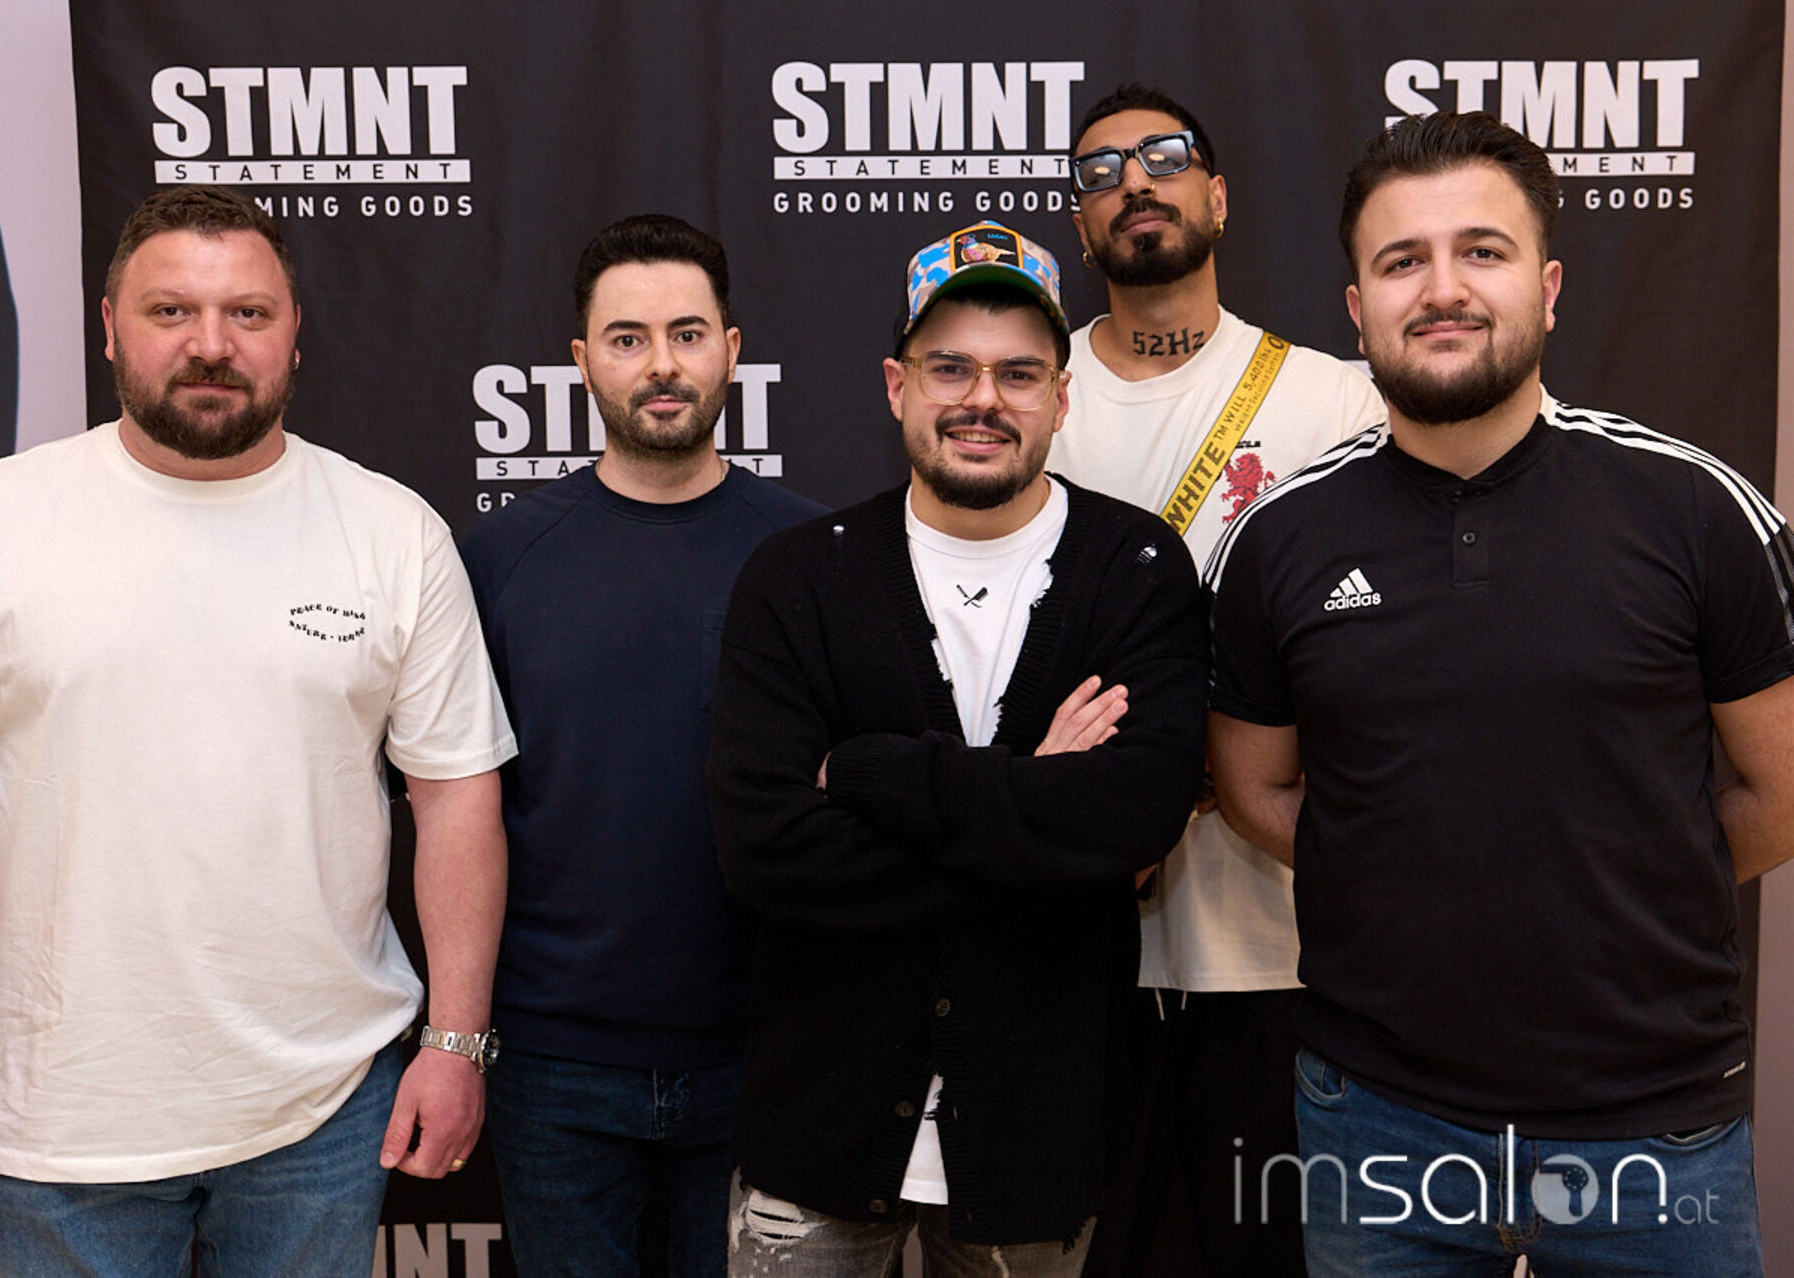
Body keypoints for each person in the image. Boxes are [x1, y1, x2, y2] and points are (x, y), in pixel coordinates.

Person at [0, 185, 514, 1276]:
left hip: (325, 1108)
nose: (211, 344)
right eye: (171, 311)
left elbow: (454, 795)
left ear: (295, 333)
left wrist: (455, 1044)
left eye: (247, 313)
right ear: (109, 326)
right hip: (68, 1118)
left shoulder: (392, 533)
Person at [1207, 111, 1793, 1276]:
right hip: (1378, 1118)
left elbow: (1781, 788)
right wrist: (1401, 872)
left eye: (1483, 250)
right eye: (1402, 261)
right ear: (1357, 308)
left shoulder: (1696, 510)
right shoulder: (1276, 540)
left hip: (1656, 1122)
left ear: (1549, 287)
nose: (1444, 289)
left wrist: (1631, 876)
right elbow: (1251, 789)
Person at [708, 220, 1208, 1272]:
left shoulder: (1136, 569)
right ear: (898, 385)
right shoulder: (798, 579)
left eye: (1018, 374)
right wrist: (1035, 809)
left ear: (1061, 399)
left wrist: (875, 774)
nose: (983, 399)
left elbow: (1132, 821)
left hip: (1036, 1137)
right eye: (950, 368)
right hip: (819, 1124)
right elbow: (766, 850)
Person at [1049, 84, 1382, 1277]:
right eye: (1101, 172)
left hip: (1285, 953)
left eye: (1164, 157)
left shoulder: (1336, 399)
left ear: (1219, 195)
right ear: (1081, 225)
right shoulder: (1022, 399)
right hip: (1076, 951)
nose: (1134, 182)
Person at [459, 214, 820, 1277]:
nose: (661, 365)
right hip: (554, 1062)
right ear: (582, 361)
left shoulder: (812, 555)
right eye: (628, 338)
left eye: (687, 334)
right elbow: (454, 808)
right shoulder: (499, 559)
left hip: (766, 1049)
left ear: (731, 350)